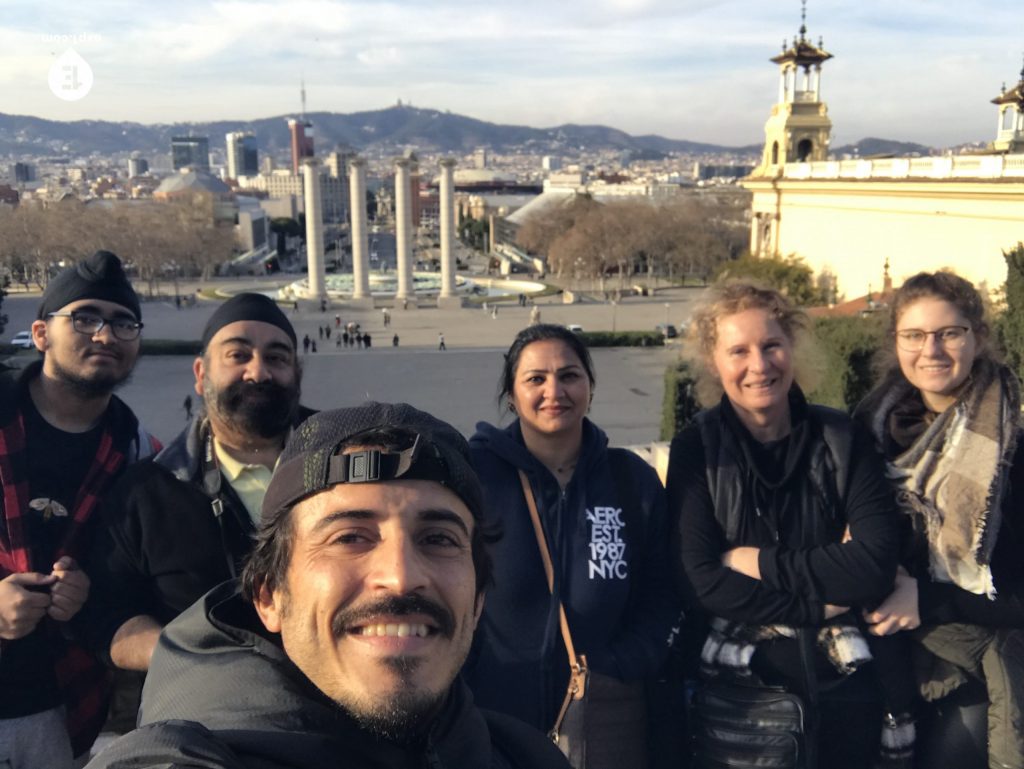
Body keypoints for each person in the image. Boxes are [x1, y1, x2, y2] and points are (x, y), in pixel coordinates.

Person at [85, 403, 569, 769]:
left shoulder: (525, 755)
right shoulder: (191, 754)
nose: (401, 576)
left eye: (438, 539)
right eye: (350, 537)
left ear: (480, 599)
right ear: (268, 597)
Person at [668, 283, 900, 769]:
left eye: (771, 345)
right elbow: (700, 581)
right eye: (738, 351)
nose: (759, 365)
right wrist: (823, 601)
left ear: (791, 348)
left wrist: (754, 562)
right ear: (714, 362)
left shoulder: (839, 437)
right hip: (742, 702)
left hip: (845, 695)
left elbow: (875, 565)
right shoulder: (697, 448)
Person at [465, 324, 677, 768]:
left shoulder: (629, 480)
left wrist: (620, 662)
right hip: (492, 723)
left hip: (601, 721)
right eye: (535, 378)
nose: (554, 390)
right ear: (511, 395)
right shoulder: (476, 476)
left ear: (590, 387)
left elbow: (664, 590)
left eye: (569, 375)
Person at [83, 292, 314, 676]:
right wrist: (198, 662)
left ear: (297, 376)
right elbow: (106, 616)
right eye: (238, 355)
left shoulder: (347, 464)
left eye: (277, 358)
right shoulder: (144, 494)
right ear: (201, 375)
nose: (258, 373)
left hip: (339, 713)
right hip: (207, 717)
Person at [854, 271, 1024, 769]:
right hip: (883, 665)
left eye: (950, 333)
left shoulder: (1012, 446)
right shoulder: (866, 432)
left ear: (978, 338)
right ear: (895, 342)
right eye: (915, 335)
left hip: (972, 681)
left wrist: (928, 599)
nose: (932, 349)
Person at [0, 250, 160, 768]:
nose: (105, 335)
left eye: (122, 322)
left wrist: (88, 590)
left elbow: (137, 581)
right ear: (42, 333)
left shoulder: (140, 454)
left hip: (62, 709)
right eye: (85, 317)